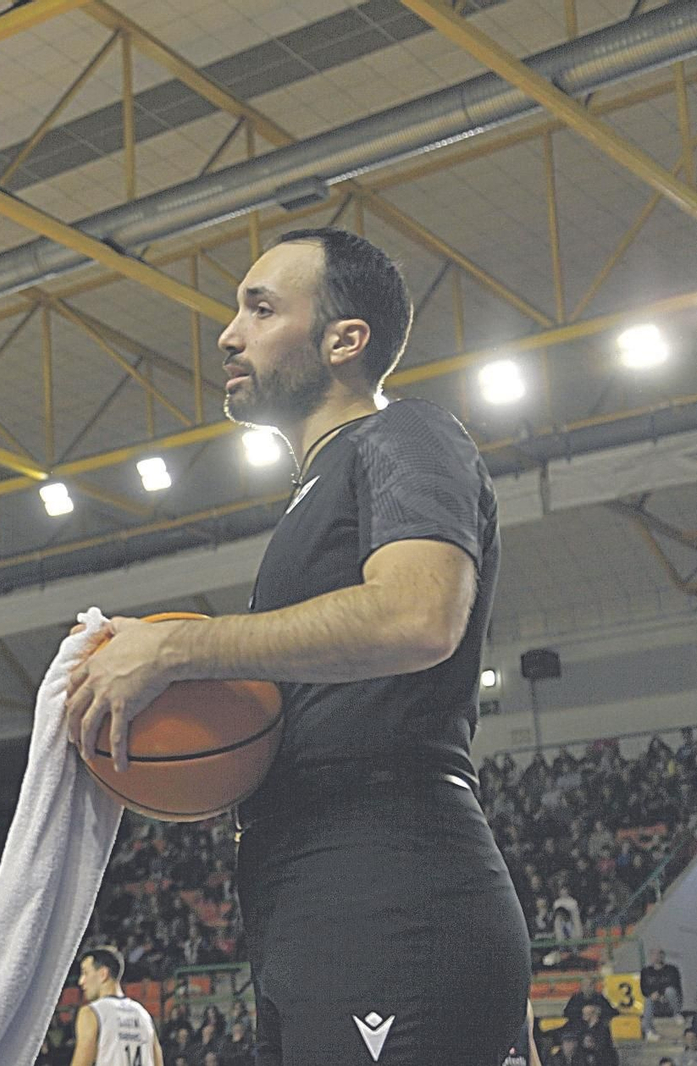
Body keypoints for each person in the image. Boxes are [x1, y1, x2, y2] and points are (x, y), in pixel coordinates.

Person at [67, 228, 530, 1062]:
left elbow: (417, 616)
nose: (228, 332)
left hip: (389, 884)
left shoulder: (406, 435)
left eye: (261, 306)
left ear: (344, 340)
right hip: (315, 895)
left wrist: (180, 651)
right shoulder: (316, 493)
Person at [68, 946, 160, 1066]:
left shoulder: (92, 1012)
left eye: (85, 973)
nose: (81, 981)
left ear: (103, 974)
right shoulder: (143, 1014)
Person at [642, 948, 685, 1040]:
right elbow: (644, 989)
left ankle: (677, 1014)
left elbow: (675, 984)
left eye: (659, 955)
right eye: (654, 955)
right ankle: (649, 1031)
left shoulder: (672, 969)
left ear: (663, 956)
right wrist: (653, 994)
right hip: (656, 1003)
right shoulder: (646, 971)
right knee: (648, 999)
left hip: (670, 1001)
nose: (656, 957)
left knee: (670, 991)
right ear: (650, 957)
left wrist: (660, 994)